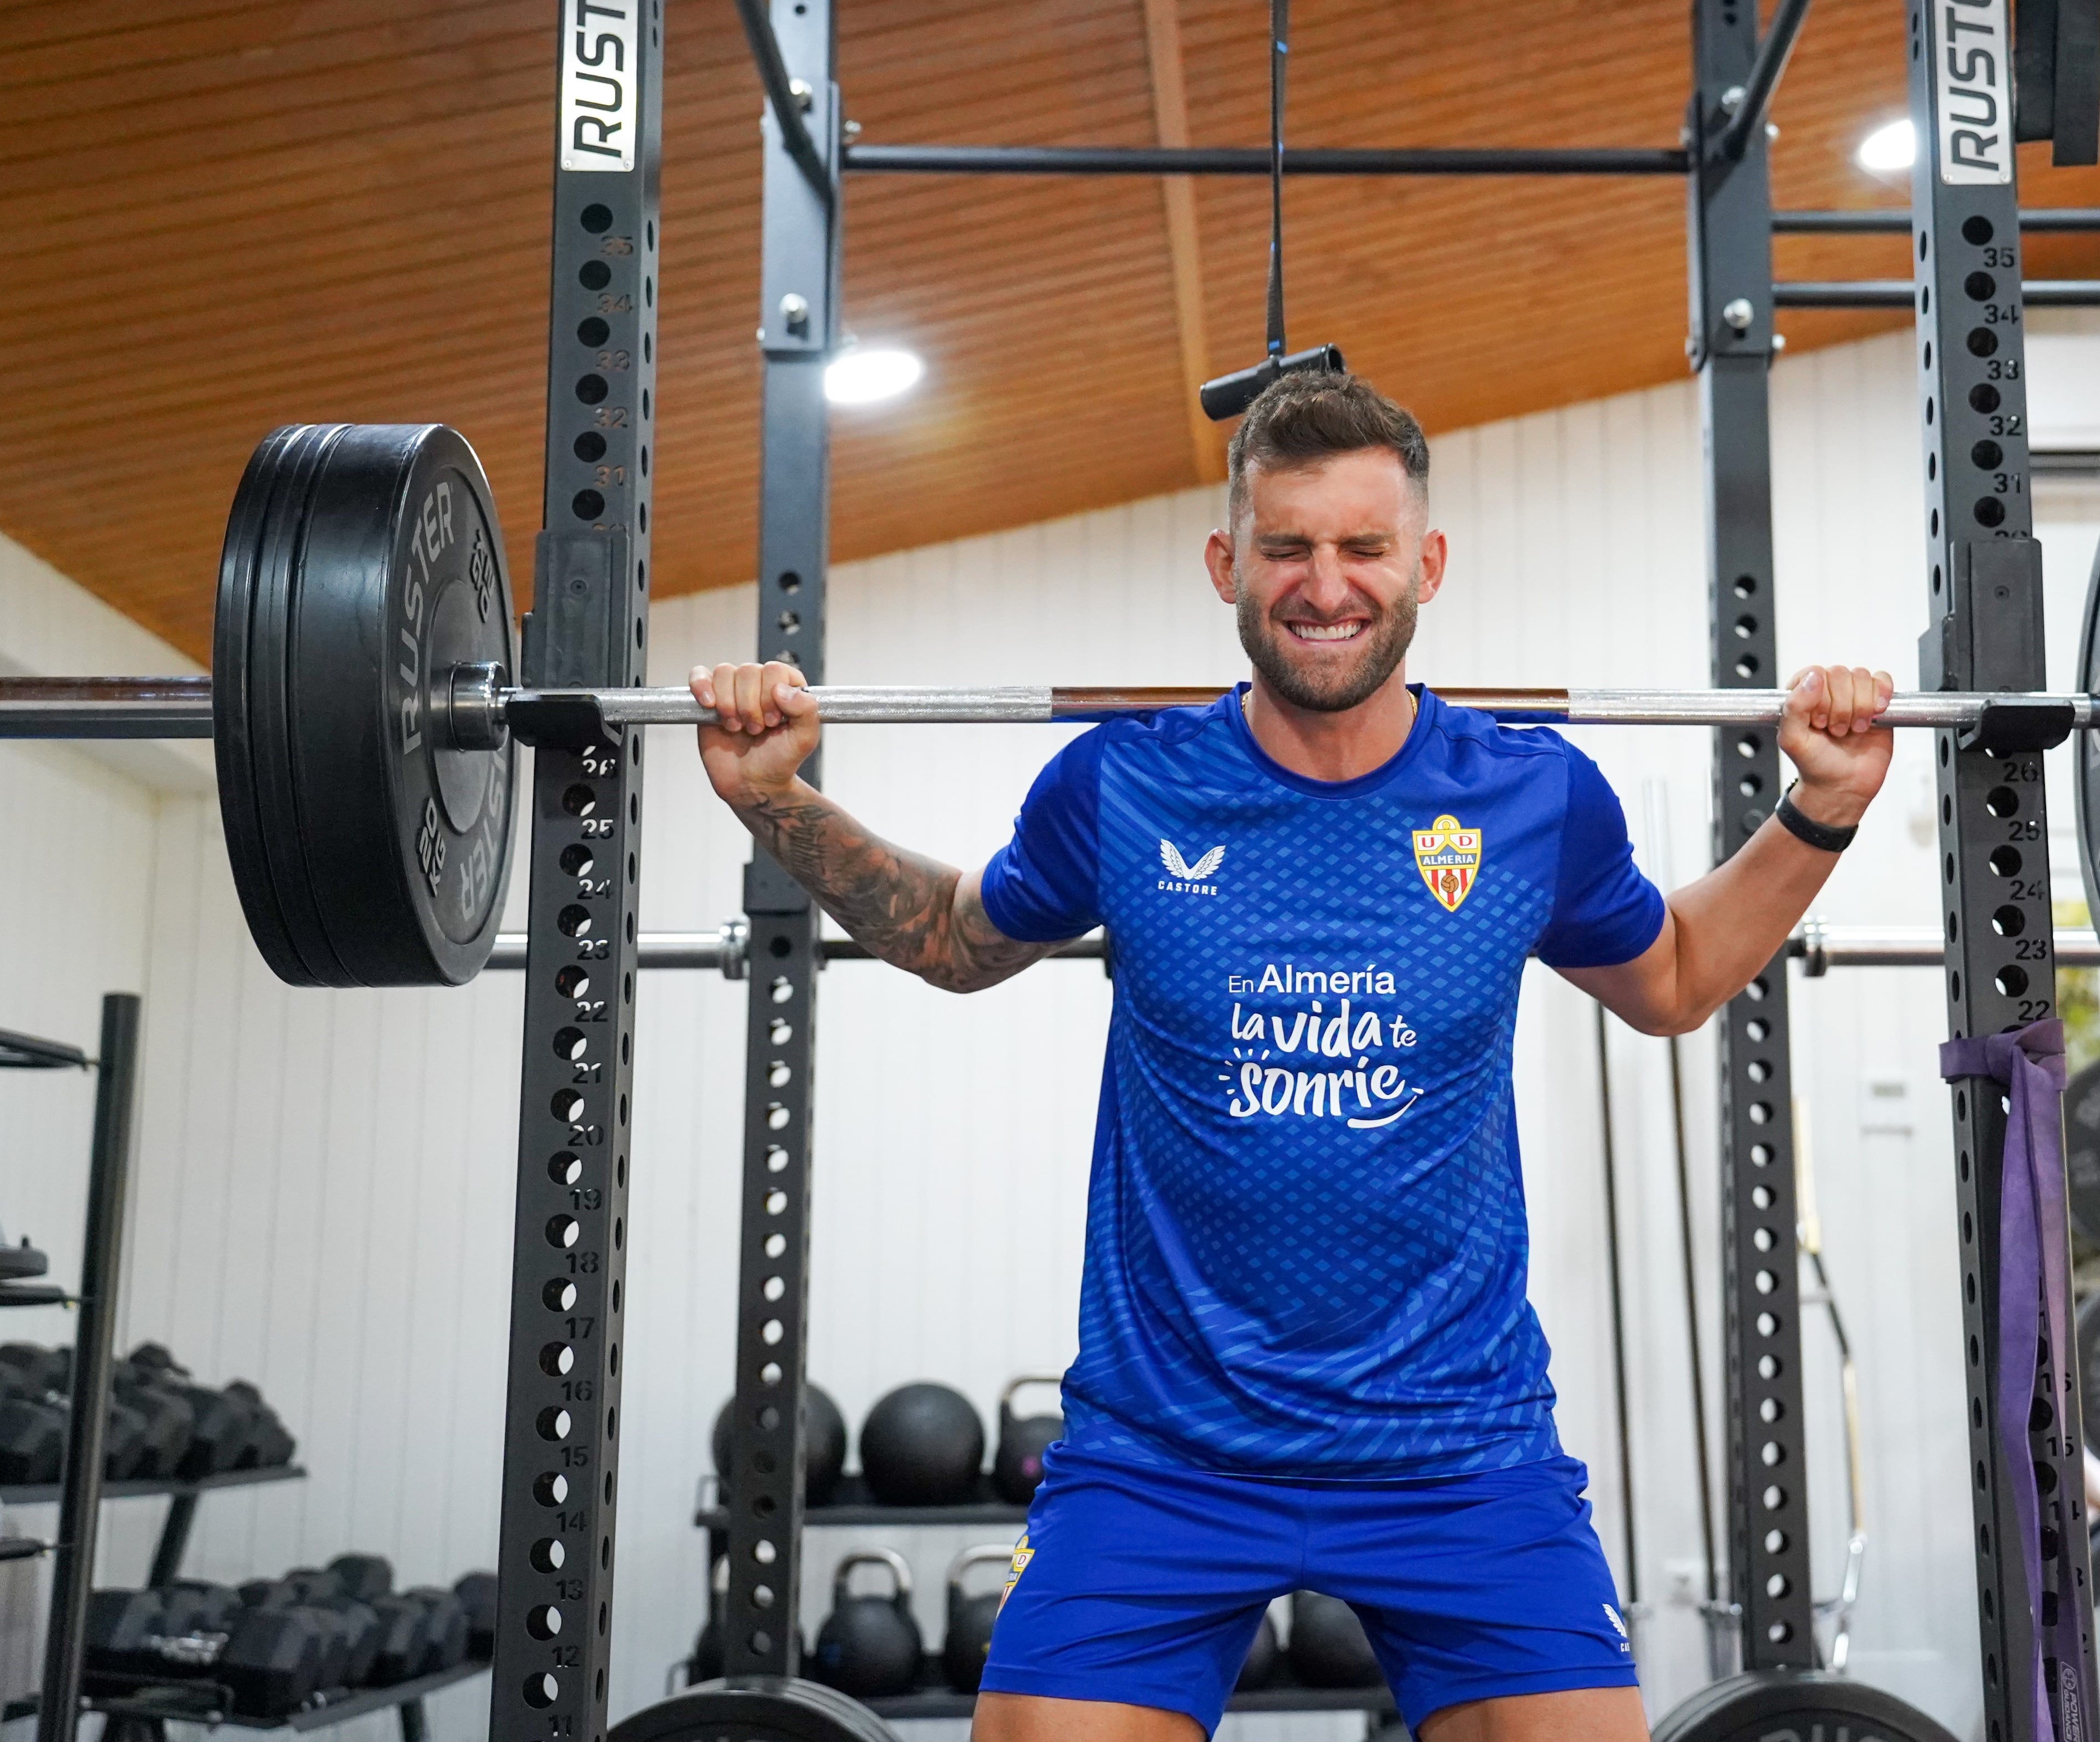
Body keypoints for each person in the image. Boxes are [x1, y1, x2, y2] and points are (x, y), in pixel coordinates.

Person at [692, 371, 1892, 1742]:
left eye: (1364, 547)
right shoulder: (1124, 782)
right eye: (1287, 547)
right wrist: (775, 801)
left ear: (1424, 562)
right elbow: (959, 938)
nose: (1327, 584)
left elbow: (1673, 979)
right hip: (1165, 1453)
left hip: (1457, 1447)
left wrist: (1821, 811)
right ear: (1228, 563)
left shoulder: (1531, 792)